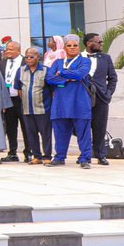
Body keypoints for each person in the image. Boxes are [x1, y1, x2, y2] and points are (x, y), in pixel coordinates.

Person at [46, 34, 94, 168]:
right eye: (69, 45)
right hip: (61, 103)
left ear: (79, 47)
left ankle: (85, 159)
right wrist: (68, 77)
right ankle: (60, 157)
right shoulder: (57, 62)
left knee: (83, 132)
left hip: (80, 102)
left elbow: (80, 75)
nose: (72, 48)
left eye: (75, 45)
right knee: (60, 132)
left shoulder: (85, 61)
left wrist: (61, 73)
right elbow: (49, 79)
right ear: (64, 47)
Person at [14, 47, 52, 165]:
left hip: (43, 108)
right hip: (27, 109)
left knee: (45, 133)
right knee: (31, 133)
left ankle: (47, 156)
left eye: (32, 57)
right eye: (27, 57)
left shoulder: (46, 70)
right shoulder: (20, 70)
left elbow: (52, 90)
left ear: (38, 57)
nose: (29, 59)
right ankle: (36, 156)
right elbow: (19, 89)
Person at [85, 33, 118, 165]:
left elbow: (113, 78)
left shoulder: (106, 58)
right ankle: (85, 153)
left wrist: (108, 93)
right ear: (89, 43)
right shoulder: (78, 57)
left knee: (100, 127)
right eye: (99, 42)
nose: (101, 44)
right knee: (81, 127)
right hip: (83, 97)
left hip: (101, 97)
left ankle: (100, 155)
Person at [0, 41, 26, 162]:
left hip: (22, 99)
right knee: (10, 127)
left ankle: (28, 152)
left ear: (18, 51)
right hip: (7, 100)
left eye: (10, 49)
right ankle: (12, 152)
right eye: (7, 49)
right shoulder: (1, 64)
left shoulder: (25, 62)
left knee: (26, 127)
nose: (7, 51)